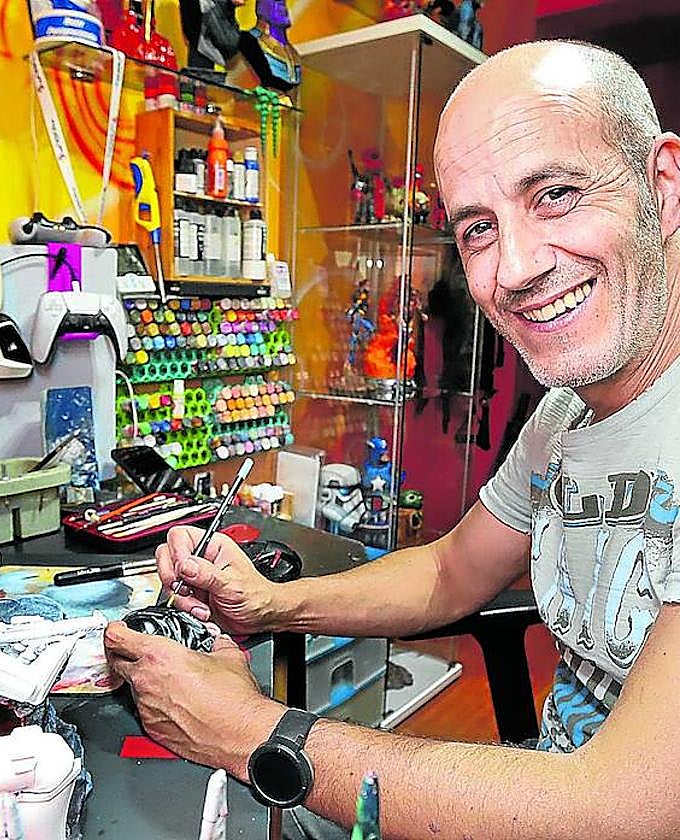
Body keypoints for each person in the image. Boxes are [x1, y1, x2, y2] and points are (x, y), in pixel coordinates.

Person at [104, 39, 680, 838]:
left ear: (663, 186)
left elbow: (627, 811)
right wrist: (271, 605)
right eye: (478, 228)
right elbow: (450, 571)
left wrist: (249, 731)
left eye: (555, 193)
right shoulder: (562, 416)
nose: (515, 267)